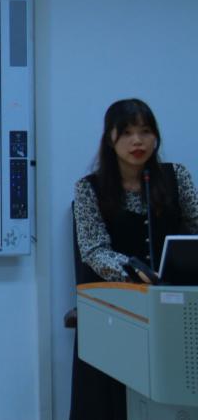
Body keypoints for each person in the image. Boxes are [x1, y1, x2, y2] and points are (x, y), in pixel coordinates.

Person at [69, 98, 198, 420]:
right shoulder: (89, 188)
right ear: (110, 139)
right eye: (126, 133)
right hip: (115, 306)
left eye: (145, 131)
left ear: (156, 137)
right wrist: (132, 272)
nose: (137, 141)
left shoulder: (176, 176)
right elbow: (94, 249)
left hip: (172, 307)